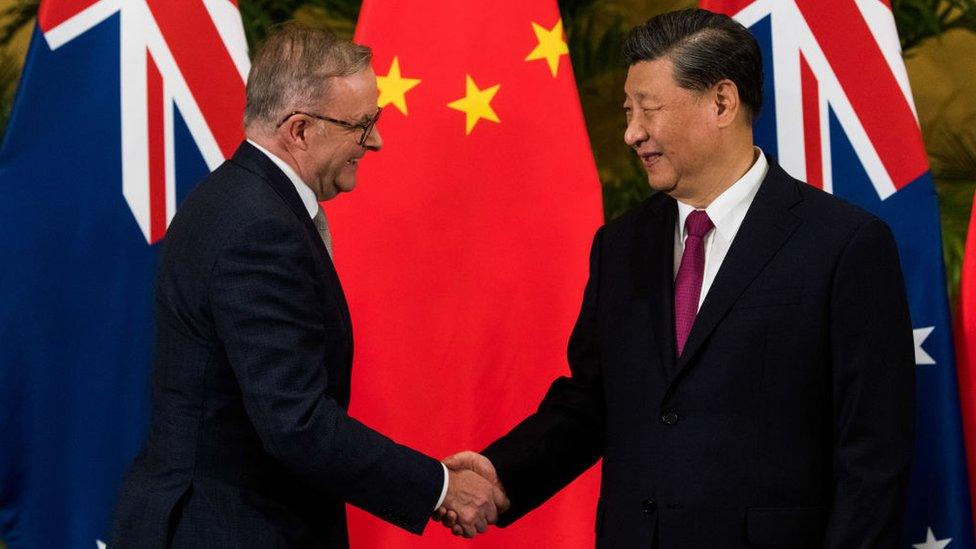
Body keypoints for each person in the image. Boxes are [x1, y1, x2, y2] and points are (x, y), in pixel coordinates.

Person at [438, 8, 915, 547]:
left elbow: (873, 456)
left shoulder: (843, 244)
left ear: (721, 102)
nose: (631, 132)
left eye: (649, 109)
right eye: (627, 110)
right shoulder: (620, 245)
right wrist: (502, 476)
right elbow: (590, 402)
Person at [109, 24, 504, 548]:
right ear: (298, 129)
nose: (377, 141)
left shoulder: (240, 200)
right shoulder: (259, 228)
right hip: (229, 528)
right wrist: (439, 487)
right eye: (362, 125)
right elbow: (294, 422)